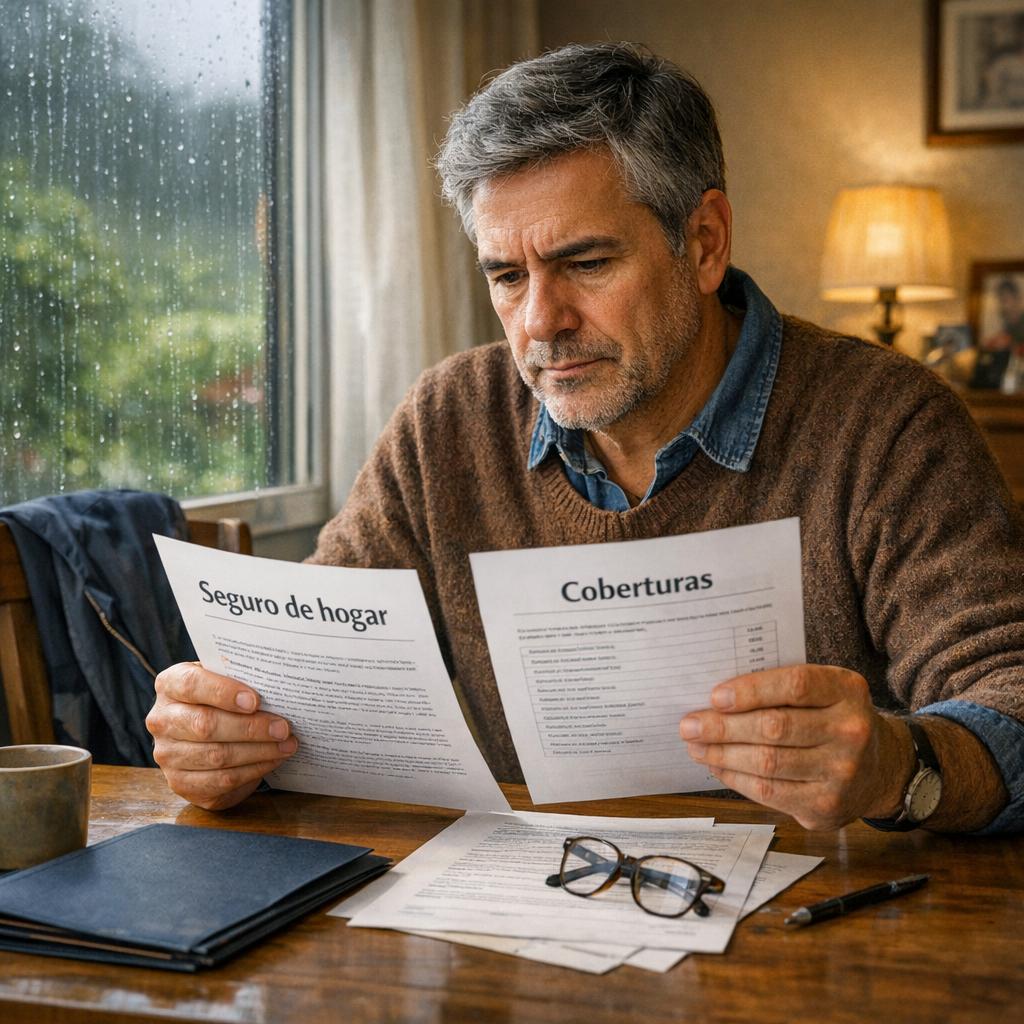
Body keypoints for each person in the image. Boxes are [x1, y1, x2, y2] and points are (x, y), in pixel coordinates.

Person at [146, 43, 1024, 833]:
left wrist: (897, 768)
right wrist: (228, 735)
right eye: (506, 275)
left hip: (827, 934)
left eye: (586, 264)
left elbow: (1010, 702)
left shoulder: (887, 423)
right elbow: (315, 672)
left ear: (705, 240)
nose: (541, 323)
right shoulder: (447, 421)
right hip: (525, 910)